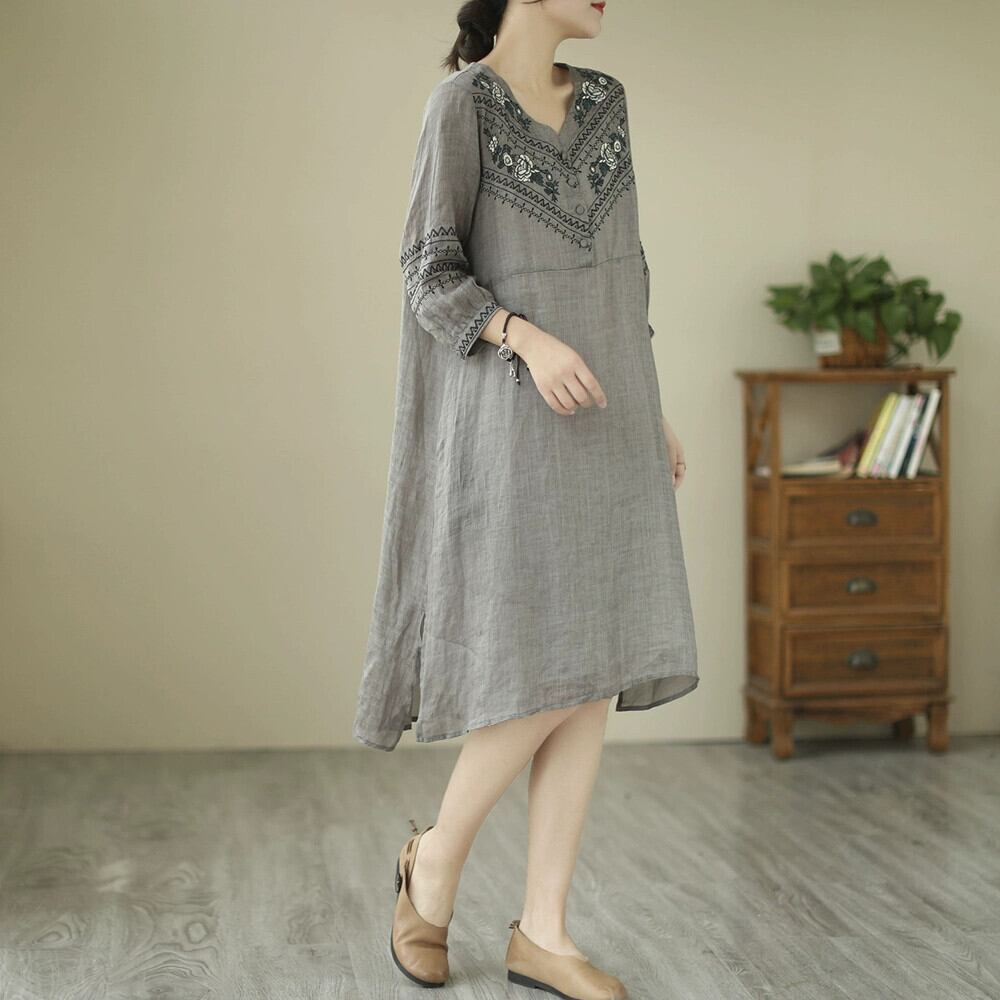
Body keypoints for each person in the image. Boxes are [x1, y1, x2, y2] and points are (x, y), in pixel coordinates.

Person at [353, 1, 699, 996]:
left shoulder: (606, 103)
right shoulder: (462, 105)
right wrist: (526, 338)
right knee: (548, 669)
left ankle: (543, 929)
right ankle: (437, 859)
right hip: (513, 415)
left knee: (594, 667)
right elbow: (429, 271)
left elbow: (624, 275)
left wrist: (649, 407)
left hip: (606, 412)